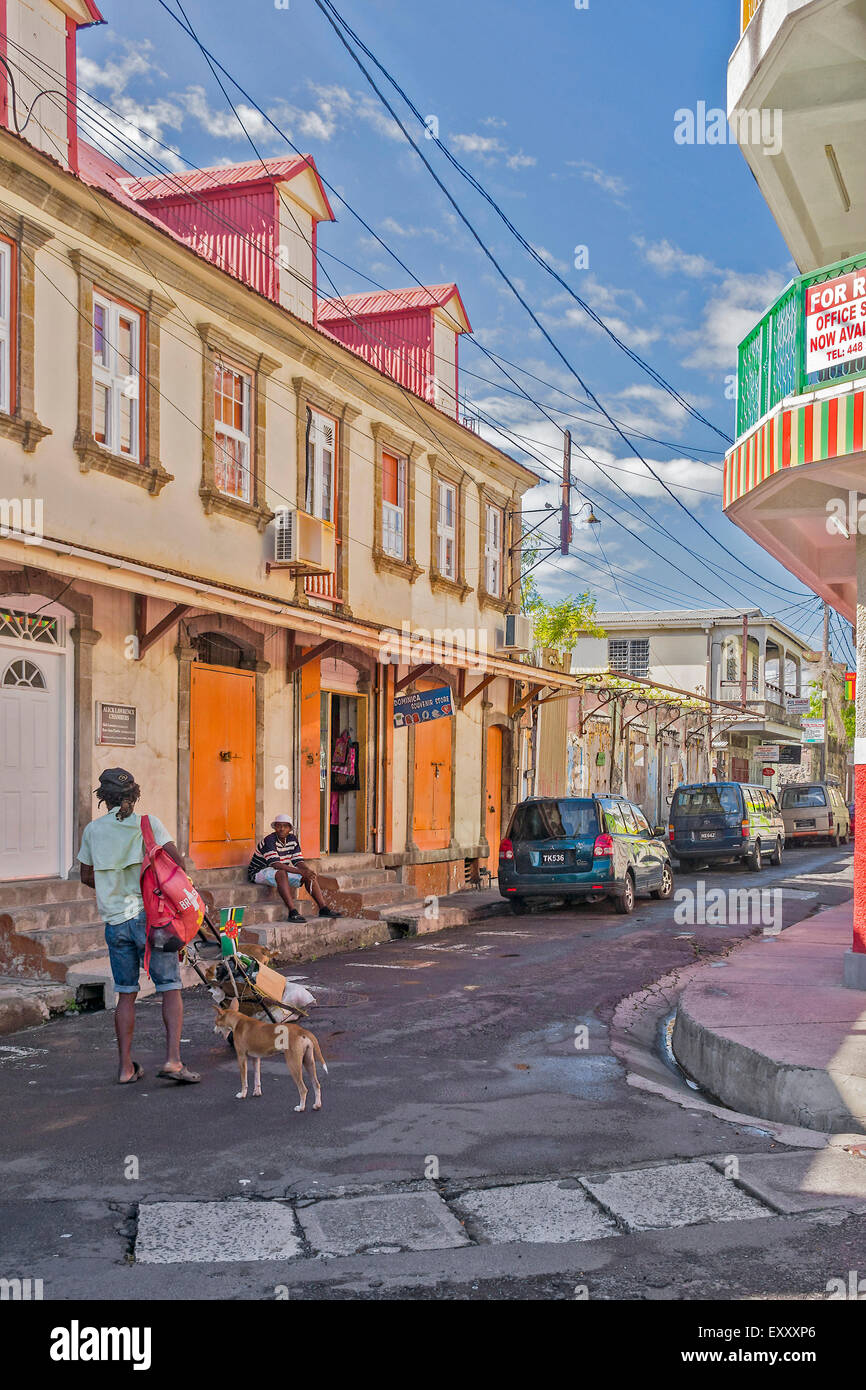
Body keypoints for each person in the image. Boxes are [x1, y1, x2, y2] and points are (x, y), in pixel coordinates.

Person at [78, 768, 200, 1086]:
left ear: (103, 799)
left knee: (126, 993)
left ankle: (125, 1069)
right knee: (170, 986)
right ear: (134, 794)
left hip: (115, 923)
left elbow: (86, 876)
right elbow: (178, 866)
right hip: (153, 920)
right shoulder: (149, 824)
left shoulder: (92, 831)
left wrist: (113, 888)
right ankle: (173, 1060)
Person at [247, 814, 343, 922]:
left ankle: (323, 909)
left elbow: (298, 861)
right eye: (279, 826)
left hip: (277, 871)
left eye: (285, 826)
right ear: (275, 827)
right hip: (259, 872)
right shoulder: (269, 840)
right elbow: (276, 864)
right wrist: (301, 871)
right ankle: (293, 912)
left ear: (290, 829)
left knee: (309, 876)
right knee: (281, 873)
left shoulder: (292, 839)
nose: (282, 829)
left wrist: (307, 871)